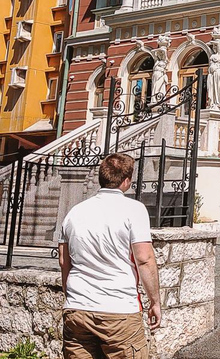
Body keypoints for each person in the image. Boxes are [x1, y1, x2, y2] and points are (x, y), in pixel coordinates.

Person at [58, 153, 161, 359]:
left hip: (78, 308)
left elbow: (63, 261)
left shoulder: (75, 212)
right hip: (119, 309)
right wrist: (155, 302)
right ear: (126, 181)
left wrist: (73, 296)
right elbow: (144, 259)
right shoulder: (134, 210)